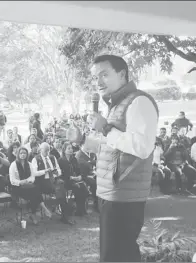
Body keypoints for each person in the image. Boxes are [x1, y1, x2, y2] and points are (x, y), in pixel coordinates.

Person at [73, 55, 159, 262]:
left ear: (122, 74)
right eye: (95, 77)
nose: (98, 82)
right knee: (114, 255)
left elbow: (142, 147)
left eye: (104, 74)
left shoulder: (139, 102)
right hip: (110, 192)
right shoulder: (116, 105)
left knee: (117, 255)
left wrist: (105, 127)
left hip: (124, 195)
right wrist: (82, 139)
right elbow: (111, 146)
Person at [9, 146, 52, 225]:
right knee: (35, 191)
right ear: (18, 154)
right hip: (17, 187)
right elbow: (12, 180)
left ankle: (34, 213)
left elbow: (33, 176)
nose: (23, 155)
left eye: (24, 153)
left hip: (28, 185)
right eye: (21, 153)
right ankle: (40, 210)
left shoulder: (29, 164)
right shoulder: (13, 165)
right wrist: (21, 182)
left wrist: (28, 181)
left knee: (35, 190)